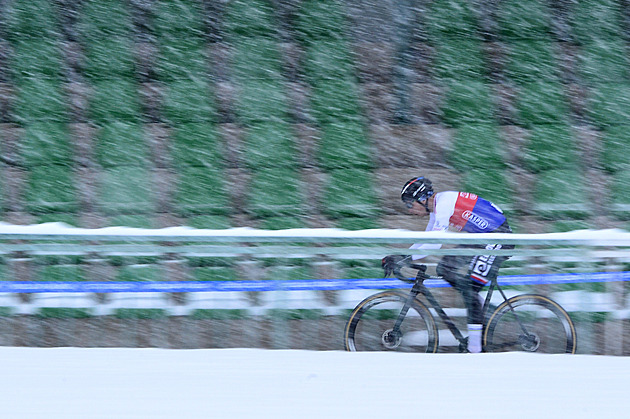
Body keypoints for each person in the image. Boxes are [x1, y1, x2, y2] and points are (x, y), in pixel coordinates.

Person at [382, 176, 514, 353]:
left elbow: (435, 244)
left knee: (470, 290)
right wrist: (403, 256)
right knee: (444, 268)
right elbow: (427, 239)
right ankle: (479, 306)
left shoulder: (444, 204)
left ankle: (475, 349)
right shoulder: (437, 207)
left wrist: (405, 258)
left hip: (497, 239)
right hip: (482, 238)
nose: (410, 210)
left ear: (422, 199)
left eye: (410, 204)